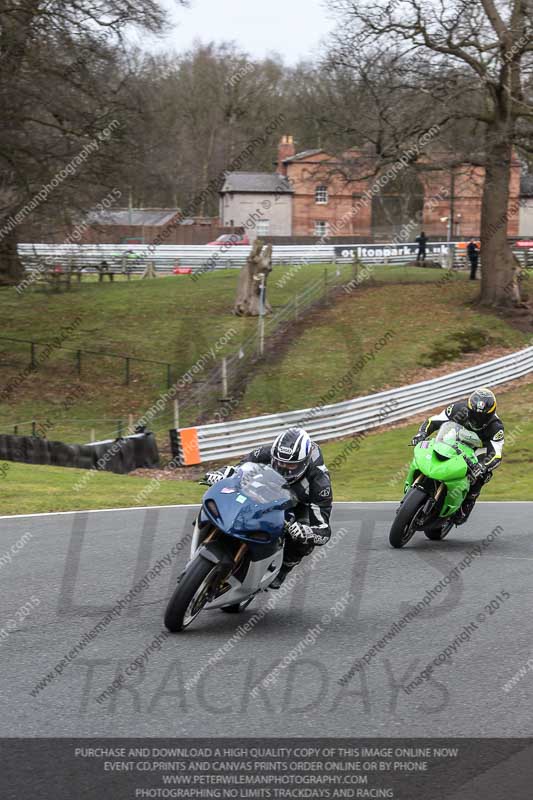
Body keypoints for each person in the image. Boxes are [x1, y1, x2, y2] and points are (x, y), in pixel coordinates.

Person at [205, 427, 332, 588]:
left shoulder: (320, 481)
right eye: (279, 462)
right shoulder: (268, 453)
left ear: (304, 463)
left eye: (290, 466)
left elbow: (324, 531)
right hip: (270, 487)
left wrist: (307, 532)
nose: (283, 467)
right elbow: (240, 468)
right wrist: (223, 473)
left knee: (302, 540)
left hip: (300, 503)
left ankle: (284, 568)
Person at [411, 388, 504, 525]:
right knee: (431, 448)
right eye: (474, 414)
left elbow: (495, 453)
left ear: (491, 414)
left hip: (477, 451)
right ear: (469, 408)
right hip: (454, 439)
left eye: (482, 417)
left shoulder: (496, 427)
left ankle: (466, 504)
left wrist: (483, 466)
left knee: (481, 475)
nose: (478, 419)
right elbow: (434, 421)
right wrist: (421, 433)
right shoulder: (457, 409)